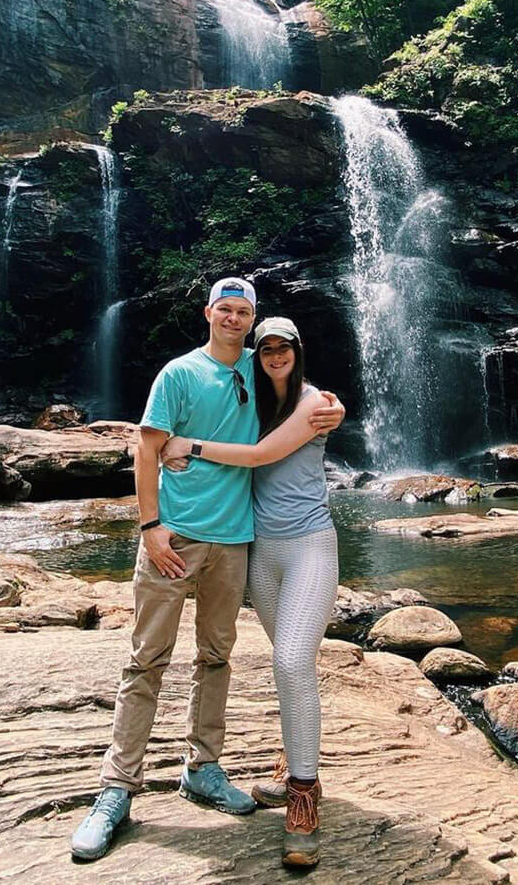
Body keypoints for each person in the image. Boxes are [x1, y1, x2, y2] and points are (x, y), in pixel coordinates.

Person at [71, 278, 343, 863]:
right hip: (176, 537)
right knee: (147, 659)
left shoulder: (269, 376)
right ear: (209, 313)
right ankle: (116, 789)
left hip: (239, 541)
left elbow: (280, 429)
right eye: (226, 309)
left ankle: (206, 768)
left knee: (219, 657)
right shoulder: (180, 373)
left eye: (244, 312)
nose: (235, 320)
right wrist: (150, 525)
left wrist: (332, 405)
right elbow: (147, 448)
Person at [160, 316, 338, 869]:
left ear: (299, 351)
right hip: (261, 550)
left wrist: (189, 445)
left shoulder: (315, 403)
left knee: (291, 661)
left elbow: (260, 456)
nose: (276, 355)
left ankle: (303, 799)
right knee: (290, 668)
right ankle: (293, 767)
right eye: (267, 349)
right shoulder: (250, 401)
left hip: (309, 545)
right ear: (256, 356)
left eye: (285, 347)